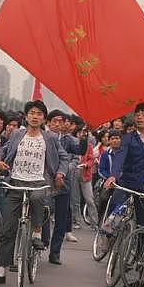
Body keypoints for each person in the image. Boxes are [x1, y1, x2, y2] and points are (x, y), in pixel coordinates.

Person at [0, 100, 69, 284]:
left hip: (39, 182)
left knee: (39, 197)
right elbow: (2, 150)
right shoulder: (16, 134)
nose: (35, 116)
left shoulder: (50, 138)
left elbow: (64, 158)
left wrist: (60, 173)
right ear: (26, 116)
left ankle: (37, 232)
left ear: (43, 119)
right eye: (31, 112)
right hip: (15, 183)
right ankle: (1, 271)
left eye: (39, 113)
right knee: (7, 230)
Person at [104, 102, 144, 230]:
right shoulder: (127, 138)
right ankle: (107, 238)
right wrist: (113, 175)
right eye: (137, 114)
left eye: (143, 114)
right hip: (128, 183)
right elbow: (120, 157)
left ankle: (141, 249)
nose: (139, 117)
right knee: (115, 216)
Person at [41, 109, 87, 261]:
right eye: (55, 121)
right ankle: (44, 241)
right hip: (45, 183)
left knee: (61, 219)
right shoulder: (42, 136)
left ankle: (55, 253)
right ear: (48, 122)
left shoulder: (68, 139)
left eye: (61, 121)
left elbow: (80, 149)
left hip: (63, 184)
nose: (58, 124)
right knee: (44, 213)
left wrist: (84, 137)